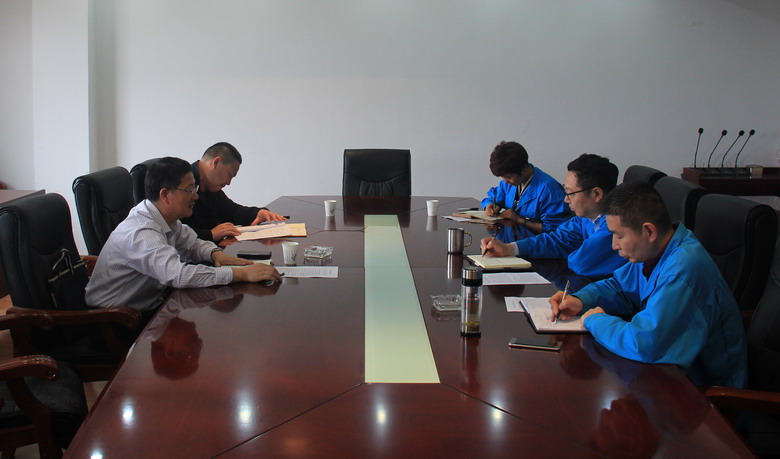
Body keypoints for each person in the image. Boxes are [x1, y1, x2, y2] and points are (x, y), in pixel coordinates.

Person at [550, 181, 747, 388]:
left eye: (619, 235)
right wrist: (580, 300)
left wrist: (596, 320)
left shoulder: (681, 269)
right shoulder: (657, 250)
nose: (614, 245)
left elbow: (645, 344)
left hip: (705, 393)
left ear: (649, 232)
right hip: (670, 375)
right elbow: (619, 287)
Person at [85, 157, 282, 312]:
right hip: (114, 319)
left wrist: (216, 254)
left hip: (149, 304)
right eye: (189, 190)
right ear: (165, 194)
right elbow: (178, 275)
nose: (195, 195)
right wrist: (240, 274)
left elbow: (193, 243)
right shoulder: (141, 232)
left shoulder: (165, 218)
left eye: (194, 188)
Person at [480, 154, 626, 279]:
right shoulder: (586, 218)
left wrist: (571, 249)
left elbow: (580, 263)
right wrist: (510, 248)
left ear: (596, 194)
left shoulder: (614, 228)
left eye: (571, 193)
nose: (566, 199)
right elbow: (557, 239)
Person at [181, 142, 286, 242]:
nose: (229, 182)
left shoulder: (211, 185)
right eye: (230, 175)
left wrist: (258, 213)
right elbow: (176, 232)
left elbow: (232, 212)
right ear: (216, 162)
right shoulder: (180, 182)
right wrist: (210, 234)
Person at [481, 141, 570, 234]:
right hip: (511, 239)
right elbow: (494, 197)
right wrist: (490, 205)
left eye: (508, 177)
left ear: (523, 169)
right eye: (502, 177)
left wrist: (519, 220)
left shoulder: (549, 190)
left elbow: (556, 230)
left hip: (536, 241)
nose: (505, 181)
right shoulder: (509, 182)